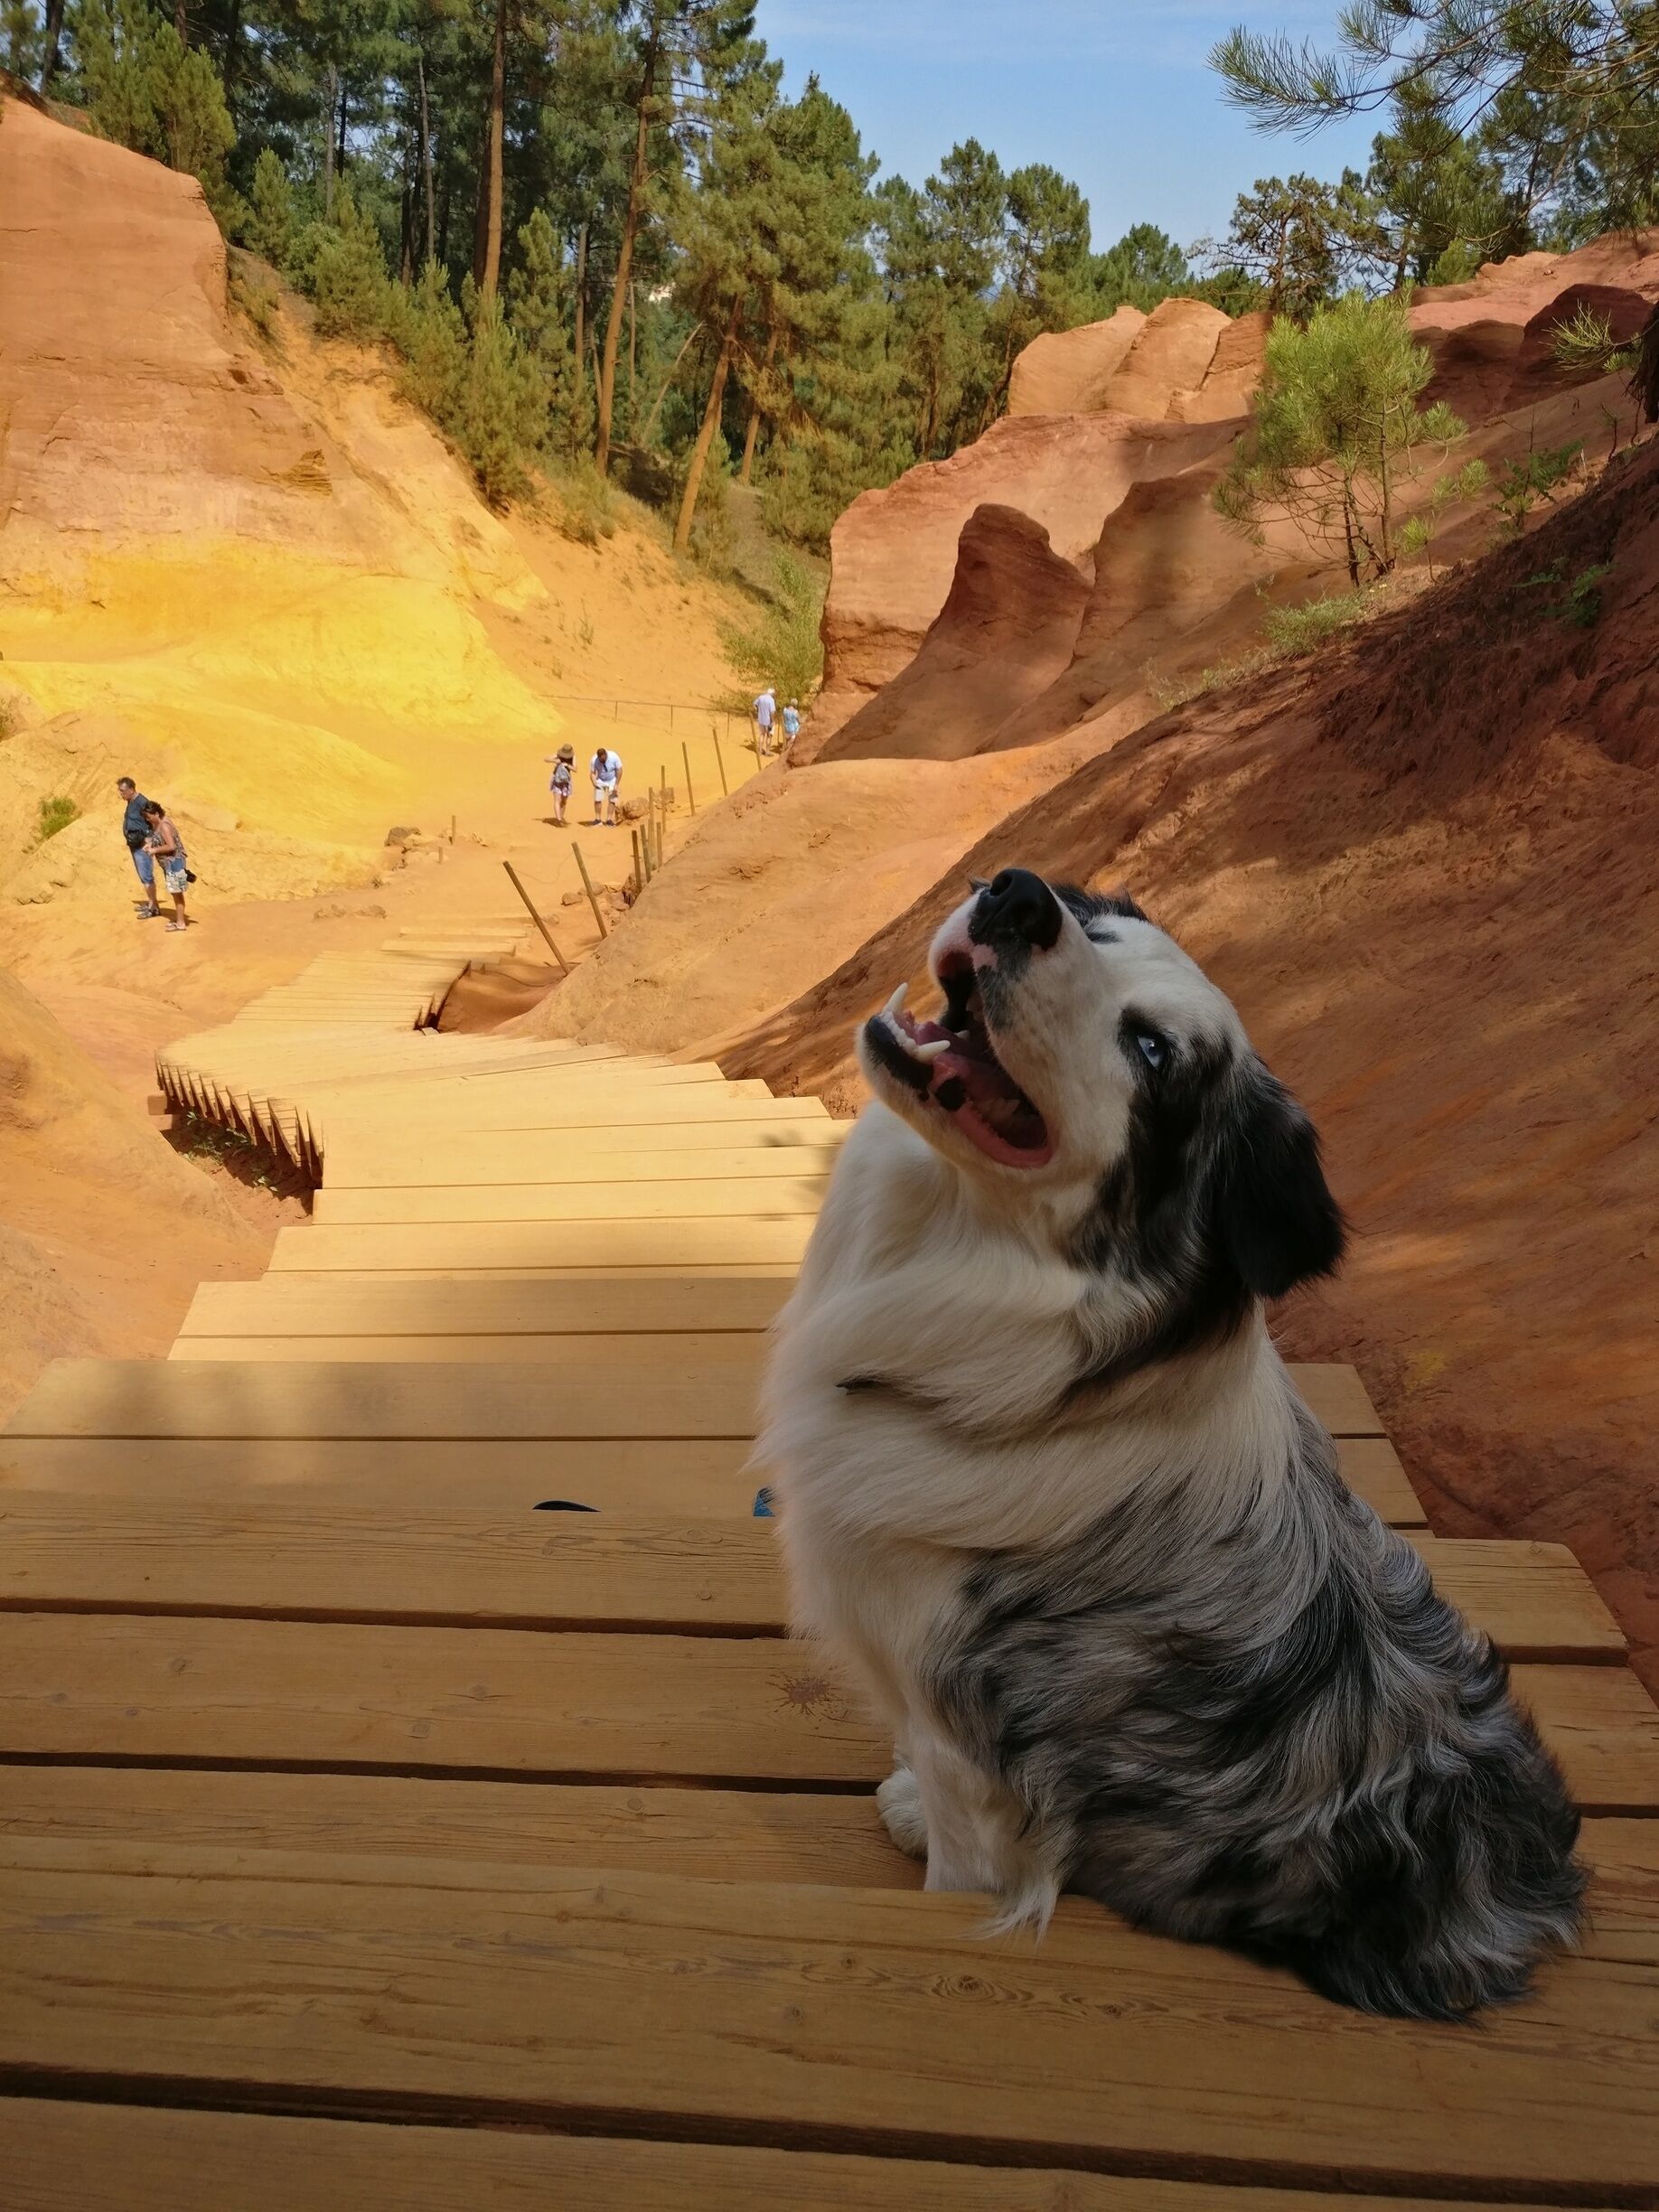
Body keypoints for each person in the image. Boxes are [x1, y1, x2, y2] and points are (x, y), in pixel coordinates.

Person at [141, 801, 191, 932]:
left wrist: (154, 851)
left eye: (148, 816)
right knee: (175, 892)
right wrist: (150, 844)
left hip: (175, 863)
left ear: (156, 813)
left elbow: (171, 846)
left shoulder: (164, 826)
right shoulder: (158, 823)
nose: (147, 819)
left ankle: (180, 923)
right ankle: (179, 920)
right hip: (170, 863)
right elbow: (158, 838)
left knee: (177, 893)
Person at [116, 774, 161, 918]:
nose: (121, 794)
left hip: (142, 846)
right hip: (135, 844)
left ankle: (153, 908)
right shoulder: (131, 801)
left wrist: (150, 840)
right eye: (120, 791)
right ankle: (151, 903)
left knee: (146, 876)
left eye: (123, 791)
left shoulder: (142, 802)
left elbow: (156, 820)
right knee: (144, 876)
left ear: (131, 789)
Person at [590, 744, 623, 825]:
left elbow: (619, 770)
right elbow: (592, 773)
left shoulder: (613, 756)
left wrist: (616, 784)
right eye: (601, 760)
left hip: (612, 780)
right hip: (601, 780)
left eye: (604, 759)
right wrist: (595, 784)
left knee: (612, 800)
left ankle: (609, 819)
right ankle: (598, 819)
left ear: (606, 755)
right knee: (598, 799)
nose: (602, 761)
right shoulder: (594, 760)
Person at [545, 742, 575, 826]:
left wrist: (567, 765)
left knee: (564, 801)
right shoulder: (559, 755)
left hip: (566, 781)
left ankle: (560, 818)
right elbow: (546, 759)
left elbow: (575, 769)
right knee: (557, 800)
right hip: (557, 781)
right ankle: (558, 820)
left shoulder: (573, 757)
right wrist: (556, 761)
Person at [753, 685, 776, 755]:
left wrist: (757, 710)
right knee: (769, 736)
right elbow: (772, 712)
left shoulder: (761, 697)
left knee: (762, 734)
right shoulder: (771, 700)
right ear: (772, 693)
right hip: (768, 721)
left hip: (761, 719)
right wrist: (773, 721)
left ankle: (760, 751)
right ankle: (767, 751)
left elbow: (754, 704)